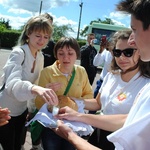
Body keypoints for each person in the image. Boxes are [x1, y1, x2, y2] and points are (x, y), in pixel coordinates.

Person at [53, 0, 150, 149]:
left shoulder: (145, 85)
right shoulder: (112, 76)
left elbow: (128, 121)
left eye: (128, 52)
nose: (122, 57)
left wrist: (74, 128)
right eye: (117, 52)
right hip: (99, 131)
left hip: (120, 138)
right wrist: (71, 100)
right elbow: (98, 103)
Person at [0, 16, 58, 150]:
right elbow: (12, 84)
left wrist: (43, 91)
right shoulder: (18, 53)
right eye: (38, 35)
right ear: (28, 33)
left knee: (18, 144)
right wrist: (36, 89)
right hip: (4, 111)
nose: (42, 40)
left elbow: (36, 84)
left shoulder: (40, 56)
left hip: (22, 110)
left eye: (46, 37)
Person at [34, 36, 93, 150]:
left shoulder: (81, 71)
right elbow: (37, 103)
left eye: (70, 53)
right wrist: (45, 94)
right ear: (56, 55)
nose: (66, 57)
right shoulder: (47, 72)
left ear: (77, 54)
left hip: (73, 124)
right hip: (52, 125)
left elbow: (88, 95)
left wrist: (75, 103)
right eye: (61, 53)